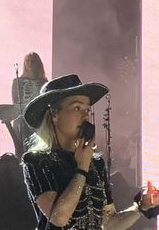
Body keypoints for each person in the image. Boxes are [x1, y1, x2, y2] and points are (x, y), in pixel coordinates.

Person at [22, 74, 159, 230]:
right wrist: (82, 169)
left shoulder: (96, 163)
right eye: (77, 108)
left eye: (87, 109)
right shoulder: (37, 161)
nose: (85, 115)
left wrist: (141, 208)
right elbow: (59, 218)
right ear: (54, 114)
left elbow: (109, 223)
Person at [12, 52, 48, 157]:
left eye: (33, 60)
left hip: (38, 122)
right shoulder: (18, 81)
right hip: (21, 121)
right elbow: (15, 102)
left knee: (37, 150)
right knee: (20, 151)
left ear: (38, 63)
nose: (30, 63)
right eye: (27, 60)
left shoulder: (44, 82)